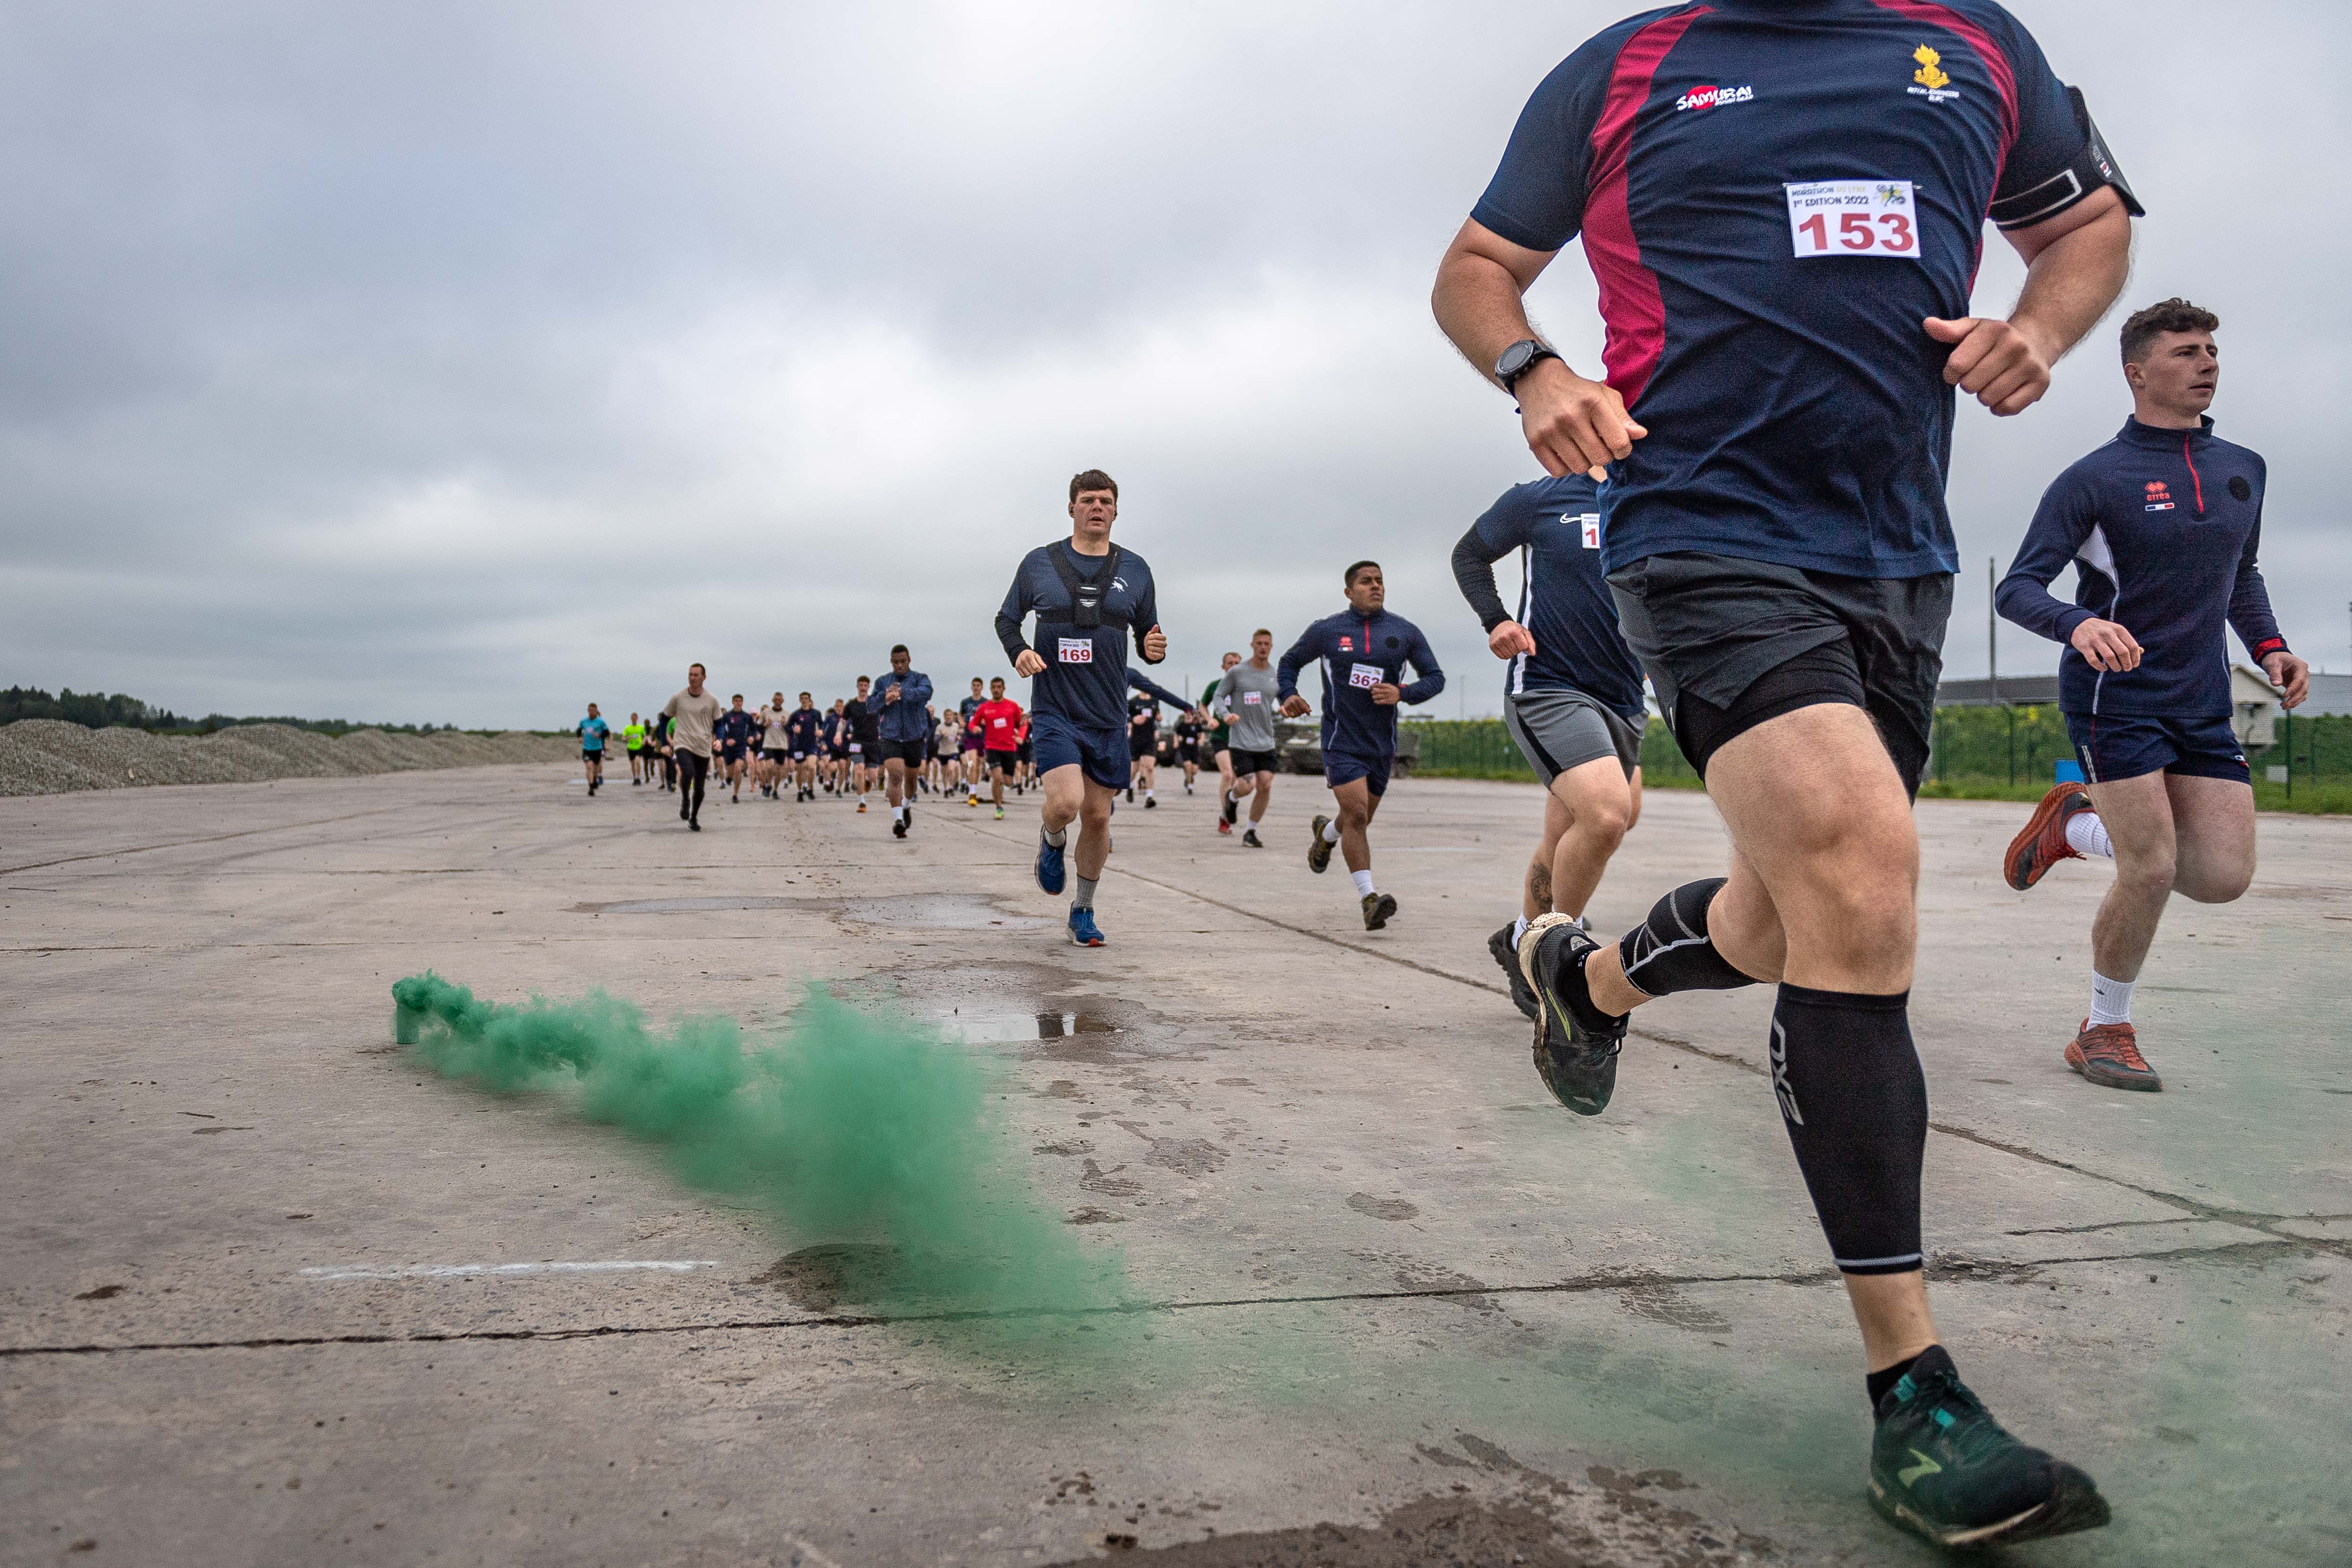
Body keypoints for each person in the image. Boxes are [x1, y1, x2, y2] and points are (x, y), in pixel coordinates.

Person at [1431, 0, 2139, 1545]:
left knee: (1781, 920)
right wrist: (1533, 369)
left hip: (1893, 556)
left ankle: (1588, 986)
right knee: (1859, 871)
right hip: (1694, 527)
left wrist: (2042, 327)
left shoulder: (1975, 45)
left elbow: (2086, 223)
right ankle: (1916, 1400)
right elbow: (1476, 268)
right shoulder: (1622, 67)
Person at [1994, 299, 2306, 1094]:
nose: (2205, 361)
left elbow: (2239, 575)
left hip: (2199, 699)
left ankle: (2073, 822)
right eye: (2184, 351)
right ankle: (2103, 1028)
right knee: (2150, 865)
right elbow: (2018, 587)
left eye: (2209, 349)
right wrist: (2075, 625)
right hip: (2115, 696)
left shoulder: (2244, 467)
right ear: (2136, 373)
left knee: (2219, 874)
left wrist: (2268, 647)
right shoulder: (2094, 479)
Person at [1454, 474, 1649, 1018]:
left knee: (1583, 829)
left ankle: (1519, 936)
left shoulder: (1653, 494)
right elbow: (1469, 555)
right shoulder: (1541, 498)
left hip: (1626, 696)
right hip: (1549, 685)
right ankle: (1551, 956)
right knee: (1607, 815)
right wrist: (1496, 621)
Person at [995, 468, 1168, 947]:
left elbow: (1149, 633)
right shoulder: (1039, 563)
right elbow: (1007, 619)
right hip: (1055, 709)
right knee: (1067, 804)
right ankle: (1051, 839)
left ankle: (1084, 910)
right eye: (1088, 499)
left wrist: (1156, 648)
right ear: (1071, 507)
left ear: (1115, 511)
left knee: (1097, 817)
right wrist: (1019, 651)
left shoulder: (1136, 569)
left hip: (1108, 715)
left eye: (1106, 501)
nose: (1097, 507)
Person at [1277, 563, 1444, 929]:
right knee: (1356, 815)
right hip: (1341, 740)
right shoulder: (1327, 631)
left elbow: (1435, 678)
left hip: (1382, 745)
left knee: (1358, 817)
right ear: (1349, 591)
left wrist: (1403, 692)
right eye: (1366, 581)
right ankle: (1369, 899)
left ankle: (1326, 835)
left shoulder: (1404, 632)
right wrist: (1288, 693)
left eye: (1380, 580)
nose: (1376, 586)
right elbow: (1290, 662)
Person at [1214, 631, 1284, 847]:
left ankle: (1251, 832)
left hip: (1266, 740)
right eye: (1259, 644)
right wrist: (1226, 715)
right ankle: (1232, 799)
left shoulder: (1275, 675)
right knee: (1247, 785)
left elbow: (1285, 700)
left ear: (1271, 647)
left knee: (1265, 785)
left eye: (1267, 644)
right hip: (1241, 740)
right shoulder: (1238, 672)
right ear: (1252, 645)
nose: (1263, 647)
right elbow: (1218, 696)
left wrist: (1287, 707)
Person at [868, 645, 933, 838]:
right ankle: (897, 820)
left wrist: (902, 692)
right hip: (890, 736)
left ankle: (905, 806)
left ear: (909, 660)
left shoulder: (920, 679)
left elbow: (926, 693)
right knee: (896, 775)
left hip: (914, 737)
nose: (900, 665)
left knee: (912, 779)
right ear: (891, 662)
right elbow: (871, 706)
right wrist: (884, 697)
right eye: (896, 662)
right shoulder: (883, 682)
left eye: (903, 661)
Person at [659, 665, 722, 830]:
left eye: (696, 675)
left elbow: (719, 723)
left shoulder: (712, 700)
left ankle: (693, 817)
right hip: (683, 743)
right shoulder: (678, 697)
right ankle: (685, 798)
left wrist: (719, 739)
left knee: (700, 788)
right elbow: (664, 719)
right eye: (690, 675)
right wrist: (665, 744)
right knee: (687, 772)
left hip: (702, 746)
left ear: (704, 677)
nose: (692, 678)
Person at [1125, 667, 1192, 807]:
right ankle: (1130, 786)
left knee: (1149, 767)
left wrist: (1160, 717)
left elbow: (1157, 713)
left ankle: (1150, 797)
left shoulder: (1154, 701)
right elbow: (1124, 714)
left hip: (1149, 737)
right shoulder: (1133, 702)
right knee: (1134, 769)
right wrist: (1132, 720)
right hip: (1136, 738)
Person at [1201, 650, 1243, 830]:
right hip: (1220, 735)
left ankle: (1227, 809)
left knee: (1238, 780)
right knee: (1227, 775)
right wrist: (1209, 719)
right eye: (1229, 663)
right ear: (1224, 667)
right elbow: (1203, 705)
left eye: (1237, 663)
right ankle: (1226, 816)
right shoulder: (1215, 687)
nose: (1233, 665)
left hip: (1241, 738)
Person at [975, 676, 1025, 820]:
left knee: (1008, 782)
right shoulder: (985, 707)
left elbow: (1022, 723)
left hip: (1009, 748)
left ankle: (1000, 783)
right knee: (997, 777)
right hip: (992, 747)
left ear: (1004, 689)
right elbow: (974, 723)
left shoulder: (1012, 706)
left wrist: (1021, 736)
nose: (996, 690)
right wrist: (975, 729)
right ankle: (999, 807)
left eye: (999, 687)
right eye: (994, 688)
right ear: (990, 689)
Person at [843, 677, 879, 810]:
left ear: (868, 687)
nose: (863, 688)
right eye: (861, 685)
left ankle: (868, 780)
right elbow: (843, 721)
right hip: (857, 742)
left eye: (865, 686)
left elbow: (885, 718)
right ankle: (862, 801)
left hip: (873, 742)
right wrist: (838, 733)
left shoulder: (875, 703)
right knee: (858, 769)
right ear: (857, 687)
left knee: (873, 776)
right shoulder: (851, 705)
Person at [712, 694, 755, 804]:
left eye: (740, 701)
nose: (738, 703)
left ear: (743, 702)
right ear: (732, 702)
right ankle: (729, 777)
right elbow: (719, 729)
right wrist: (724, 740)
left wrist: (752, 737)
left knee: (739, 768)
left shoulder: (747, 717)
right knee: (731, 771)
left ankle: (735, 794)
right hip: (728, 748)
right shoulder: (727, 716)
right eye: (736, 701)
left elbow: (754, 730)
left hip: (741, 746)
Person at [575, 703, 610, 795]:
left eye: (593, 710)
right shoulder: (584, 721)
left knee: (596, 769)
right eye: (590, 710)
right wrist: (579, 737)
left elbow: (607, 733)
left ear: (596, 711)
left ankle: (595, 780)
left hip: (597, 749)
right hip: (587, 749)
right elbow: (578, 730)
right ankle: (591, 787)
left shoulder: (601, 722)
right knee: (589, 766)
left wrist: (600, 735)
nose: (592, 712)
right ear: (588, 711)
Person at [622, 712, 647, 786]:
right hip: (630, 748)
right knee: (633, 764)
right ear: (631, 719)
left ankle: (638, 777)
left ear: (637, 718)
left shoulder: (641, 727)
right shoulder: (627, 728)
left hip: (639, 748)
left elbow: (644, 736)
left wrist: (643, 742)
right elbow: (623, 738)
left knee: (638, 761)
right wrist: (628, 738)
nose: (634, 719)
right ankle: (634, 778)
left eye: (635, 718)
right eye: (633, 718)